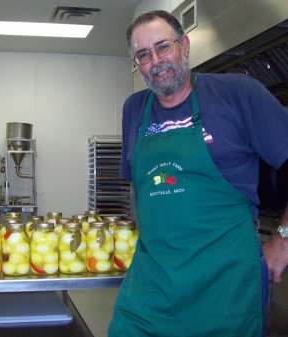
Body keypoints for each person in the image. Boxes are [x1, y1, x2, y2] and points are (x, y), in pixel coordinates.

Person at [108, 10, 288, 337]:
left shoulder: (238, 93)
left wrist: (284, 240)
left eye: (163, 46)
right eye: (143, 54)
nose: (156, 60)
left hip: (226, 287)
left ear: (185, 45)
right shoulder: (134, 109)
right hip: (152, 285)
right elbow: (144, 193)